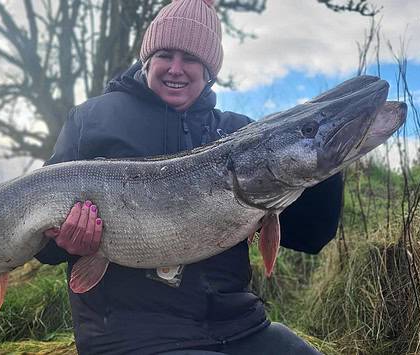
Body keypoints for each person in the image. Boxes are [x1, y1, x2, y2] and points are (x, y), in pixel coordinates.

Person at [35, 0, 343, 353]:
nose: (176, 69)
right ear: (147, 58)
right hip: (130, 336)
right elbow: (39, 242)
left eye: (192, 59)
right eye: (165, 54)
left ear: (210, 70)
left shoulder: (239, 135)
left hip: (237, 325)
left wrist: (327, 158)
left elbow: (312, 235)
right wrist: (64, 242)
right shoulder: (92, 120)